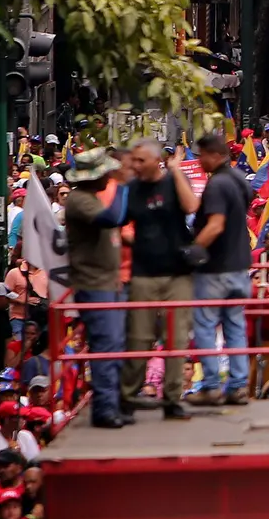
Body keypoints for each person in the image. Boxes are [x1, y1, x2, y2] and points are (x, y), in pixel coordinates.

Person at [120, 139, 198, 419]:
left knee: (176, 340)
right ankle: (128, 398)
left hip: (177, 273)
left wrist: (176, 170)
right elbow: (116, 221)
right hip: (144, 274)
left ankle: (172, 400)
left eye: (141, 161)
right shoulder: (132, 188)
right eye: (134, 161)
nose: (136, 165)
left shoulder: (173, 181)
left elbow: (191, 207)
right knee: (139, 338)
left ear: (156, 160)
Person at [59, 148, 131, 427]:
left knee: (115, 345)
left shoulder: (89, 198)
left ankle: (112, 403)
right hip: (94, 284)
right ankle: (105, 408)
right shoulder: (79, 200)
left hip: (107, 282)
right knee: (106, 345)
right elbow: (112, 219)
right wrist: (123, 187)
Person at [187, 132, 254, 406]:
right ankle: (238, 386)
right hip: (239, 267)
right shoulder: (238, 179)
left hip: (216, 269)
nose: (198, 160)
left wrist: (192, 251)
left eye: (201, 155)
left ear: (214, 155)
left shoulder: (217, 184)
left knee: (204, 325)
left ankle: (212, 385)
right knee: (235, 327)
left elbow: (215, 225)